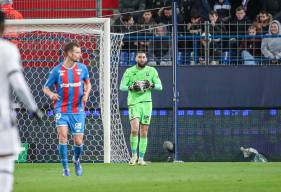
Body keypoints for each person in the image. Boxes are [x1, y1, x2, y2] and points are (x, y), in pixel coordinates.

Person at [0, 10, 43, 192]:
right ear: (3, 26)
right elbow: (18, 84)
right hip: (2, 117)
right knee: (5, 164)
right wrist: (33, 109)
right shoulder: (7, 49)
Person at [43, 42, 91, 176]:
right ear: (69, 54)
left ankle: (76, 161)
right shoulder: (56, 70)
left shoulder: (83, 68)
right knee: (63, 137)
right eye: (77, 52)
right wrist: (52, 94)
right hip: (61, 109)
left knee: (78, 141)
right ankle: (65, 168)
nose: (80, 55)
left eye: (80, 52)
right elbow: (45, 87)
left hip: (78, 109)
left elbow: (88, 83)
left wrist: (86, 93)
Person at [119, 51, 162, 165]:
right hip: (134, 103)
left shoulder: (152, 71)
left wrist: (151, 85)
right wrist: (132, 87)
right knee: (134, 129)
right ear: (136, 58)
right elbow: (122, 87)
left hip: (147, 103)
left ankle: (141, 158)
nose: (142, 59)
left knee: (144, 131)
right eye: (139, 57)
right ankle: (134, 156)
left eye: (144, 57)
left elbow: (160, 86)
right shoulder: (129, 71)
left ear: (146, 59)